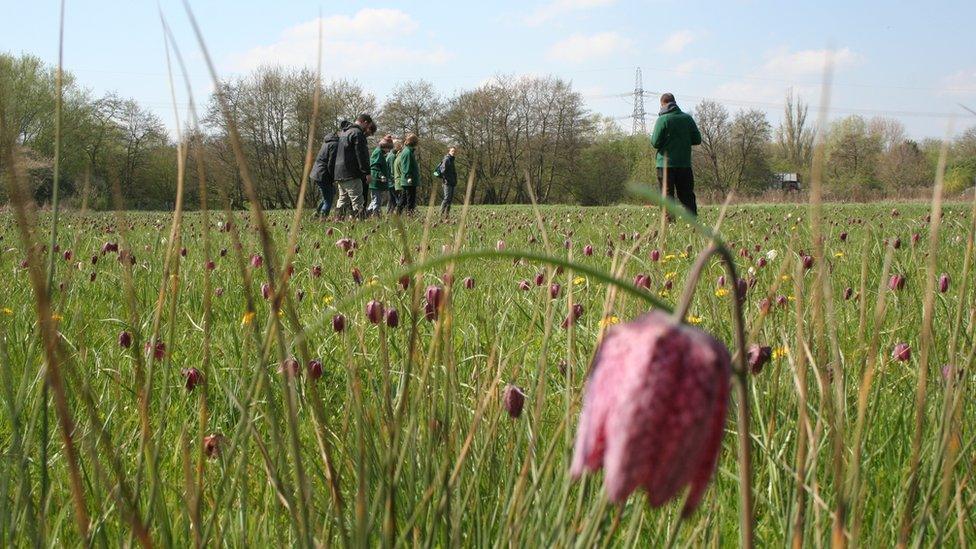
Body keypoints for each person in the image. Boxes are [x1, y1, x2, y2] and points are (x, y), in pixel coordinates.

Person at [650, 93, 702, 216]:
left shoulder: (663, 119)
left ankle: (669, 222)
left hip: (665, 164)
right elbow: (697, 139)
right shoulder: (687, 118)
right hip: (684, 163)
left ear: (662, 104)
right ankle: (693, 221)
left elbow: (655, 142)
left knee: (667, 195)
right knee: (686, 194)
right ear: (675, 102)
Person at [333, 113, 376, 219]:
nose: (367, 129)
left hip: (339, 172)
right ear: (365, 122)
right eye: (368, 125)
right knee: (358, 200)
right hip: (351, 173)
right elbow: (361, 155)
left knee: (342, 200)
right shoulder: (357, 133)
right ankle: (360, 224)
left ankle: (338, 221)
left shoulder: (344, 132)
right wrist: (367, 172)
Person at [309, 120, 350, 217]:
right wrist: (333, 178)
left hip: (318, 173)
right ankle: (323, 218)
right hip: (323, 174)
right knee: (329, 199)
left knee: (327, 196)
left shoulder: (328, 142)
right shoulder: (335, 145)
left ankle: (316, 215)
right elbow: (331, 164)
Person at [366, 135, 394, 216]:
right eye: (388, 148)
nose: (389, 151)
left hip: (378, 182)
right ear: (385, 146)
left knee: (377, 199)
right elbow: (374, 166)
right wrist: (381, 175)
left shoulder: (380, 153)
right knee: (377, 199)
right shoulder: (378, 152)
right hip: (376, 181)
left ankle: (367, 213)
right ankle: (375, 215)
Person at [396, 133, 421, 214]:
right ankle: (409, 214)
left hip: (409, 180)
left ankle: (399, 214)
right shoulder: (407, 152)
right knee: (409, 199)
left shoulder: (408, 151)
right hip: (409, 181)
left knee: (405, 198)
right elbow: (406, 166)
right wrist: (409, 177)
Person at [436, 146, 458, 217]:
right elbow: (443, 171)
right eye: (452, 151)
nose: (454, 152)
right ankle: (440, 214)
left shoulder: (452, 160)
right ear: (449, 152)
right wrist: (447, 179)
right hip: (447, 182)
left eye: (455, 151)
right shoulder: (447, 159)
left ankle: (446, 215)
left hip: (452, 182)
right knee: (447, 198)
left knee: (450, 199)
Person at [387, 139, 403, 214]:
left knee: (392, 200)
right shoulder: (392, 157)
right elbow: (392, 171)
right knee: (397, 199)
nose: (401, 147)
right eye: (399, 145)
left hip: (390, 181)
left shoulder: (390, 155)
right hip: (392, 182)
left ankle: (389, 213)